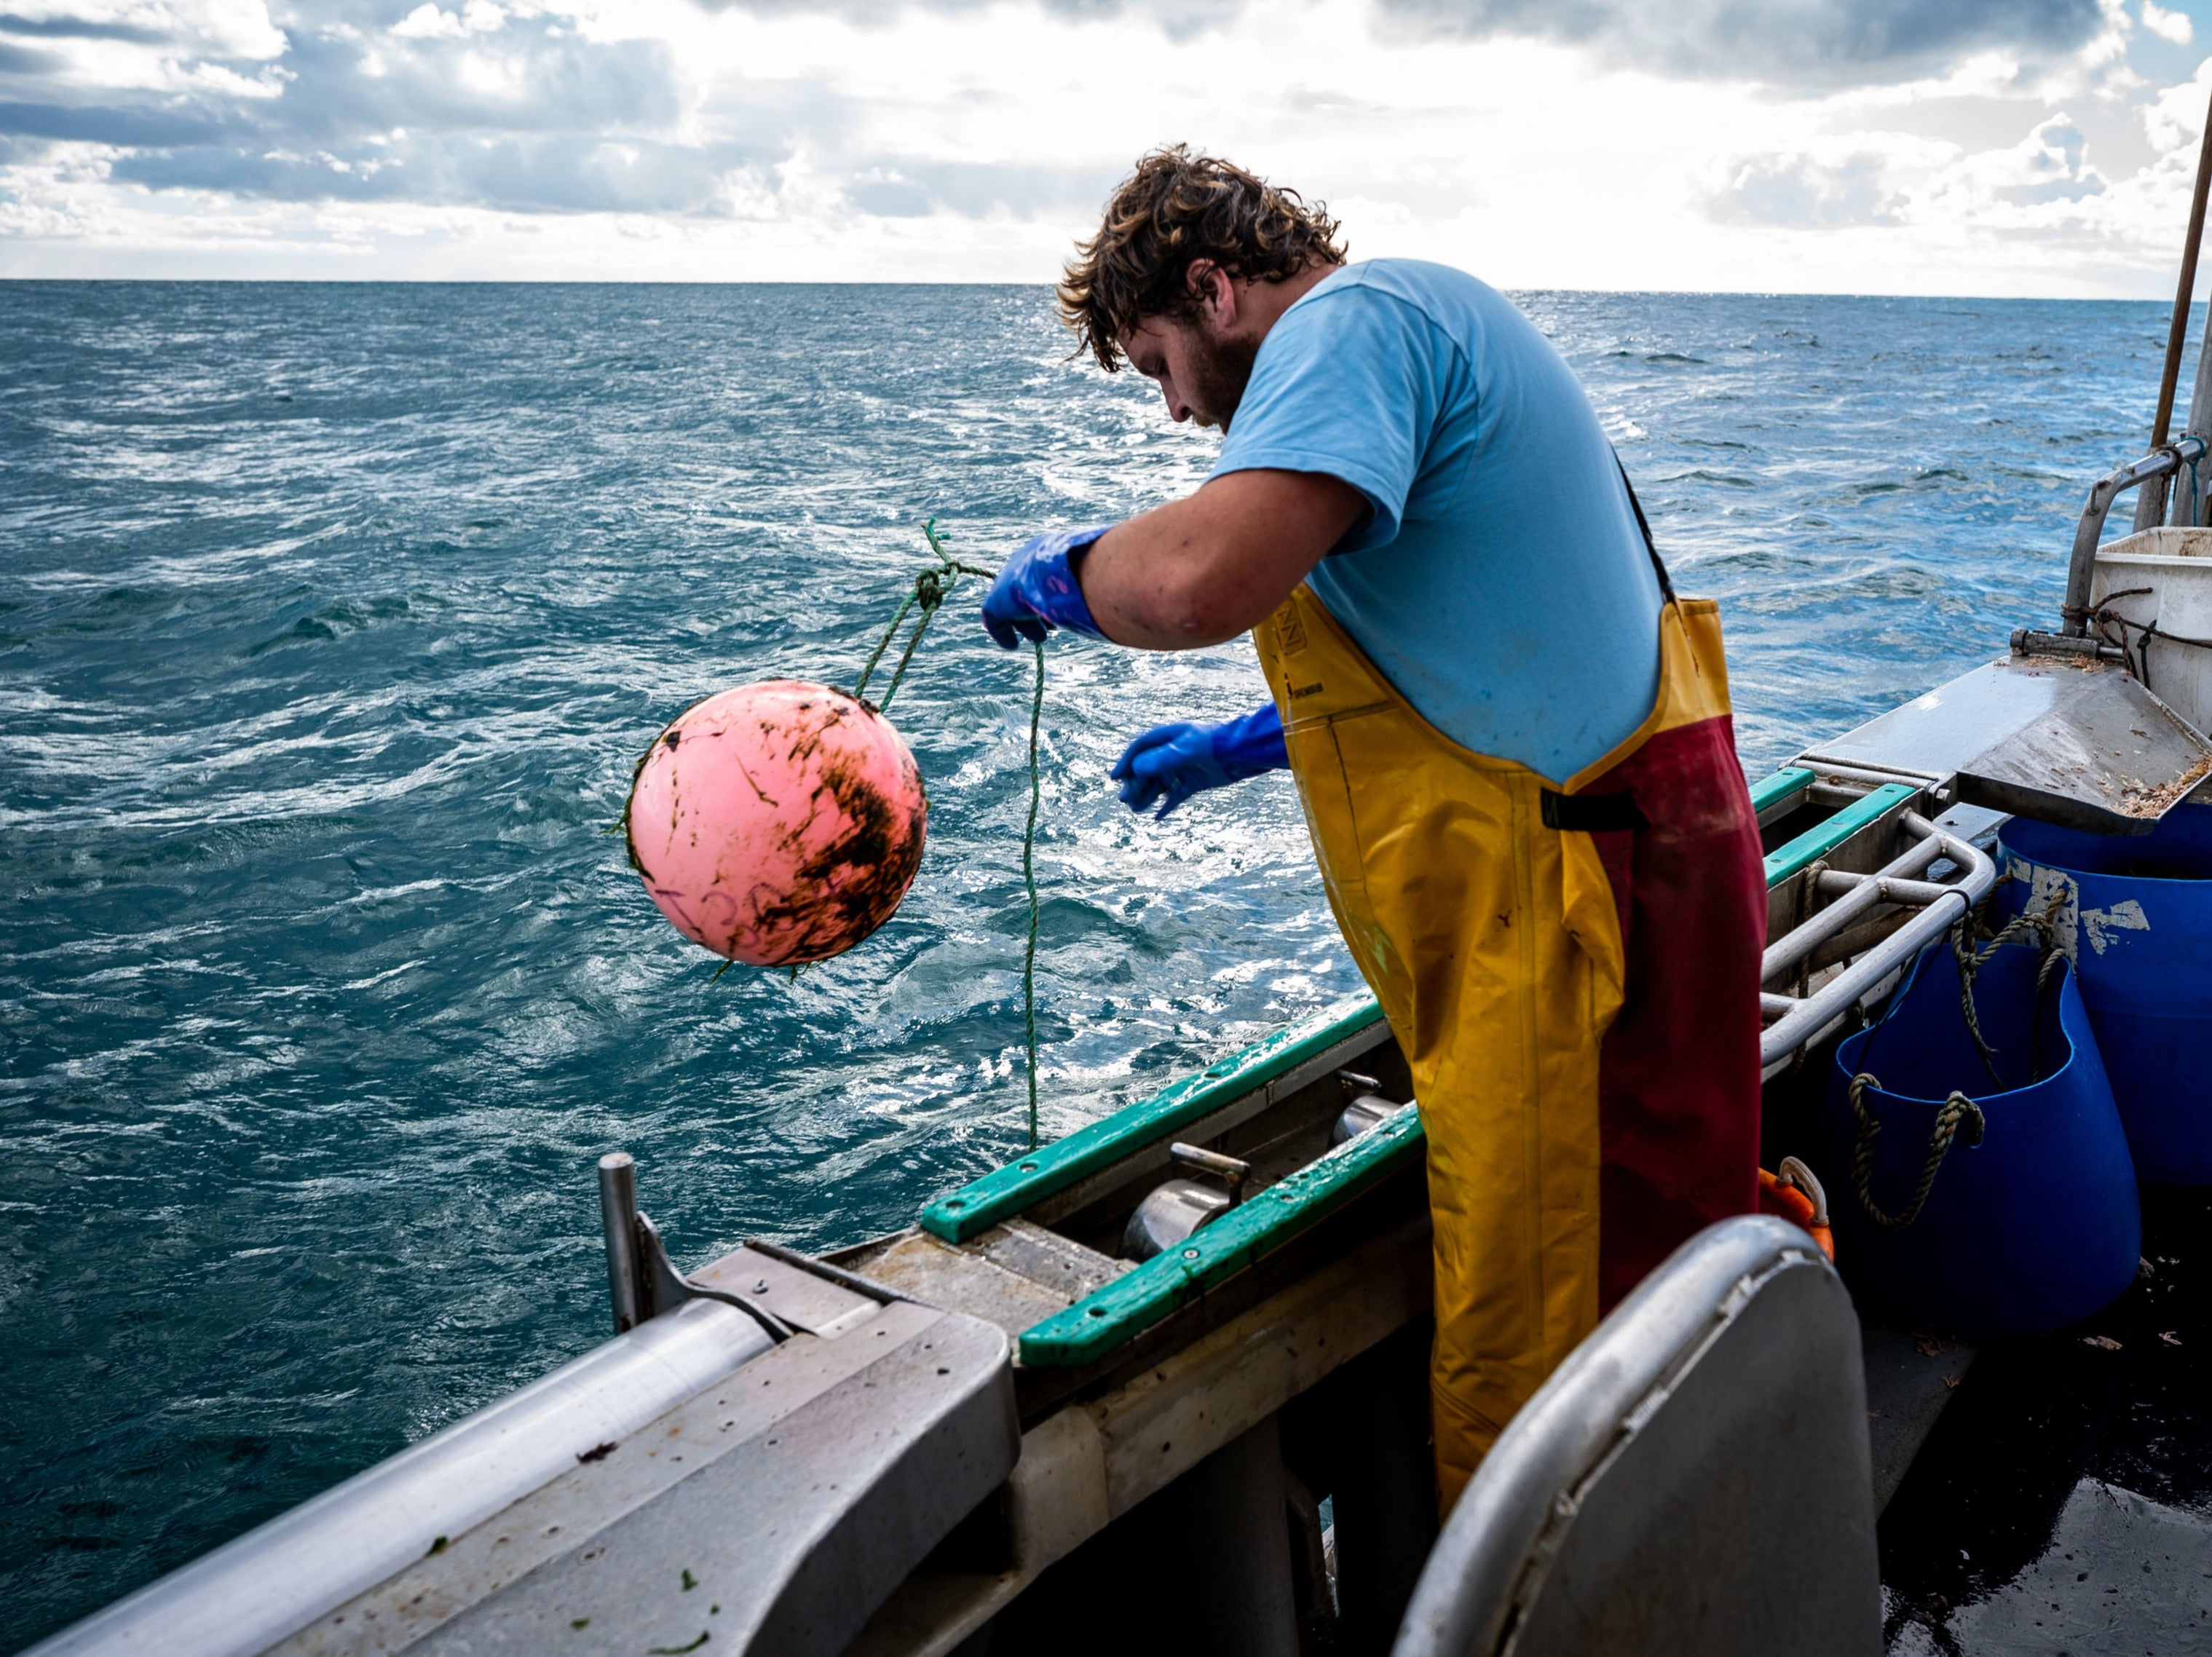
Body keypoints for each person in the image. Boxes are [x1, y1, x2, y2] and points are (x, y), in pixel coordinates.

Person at [979, 146, 1767, 1509]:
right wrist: (1246, 745)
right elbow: (1488, 650)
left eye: (1157, 359)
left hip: (1576, 921)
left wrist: (1060, 578)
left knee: (1543, 1368)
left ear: (1216, 288)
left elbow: (1202, 576)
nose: (1170, 410)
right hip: (1632, 868)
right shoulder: (1421, 328)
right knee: (1653, 1274)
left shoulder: (1353, 323)